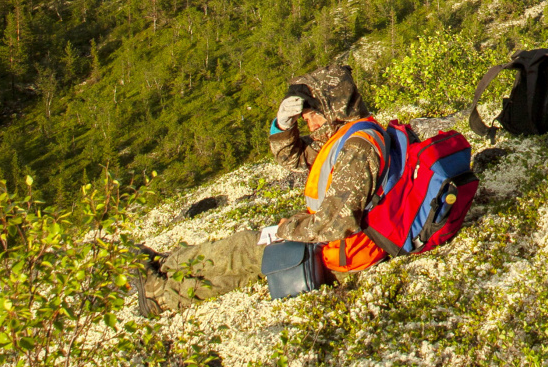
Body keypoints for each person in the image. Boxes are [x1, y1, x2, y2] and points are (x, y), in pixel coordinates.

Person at [133, 62, 393, 316]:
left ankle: (163, 284)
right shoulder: (348, 135)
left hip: (346, 253)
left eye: (312, 114)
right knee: (251, 267)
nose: (308, 122)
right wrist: (283, 126)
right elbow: (294, 158)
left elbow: (338, 223)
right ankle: (166, 283)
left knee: (247, 248)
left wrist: (287, 228)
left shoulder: (358, 148)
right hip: (343, 247)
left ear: (334, 107)